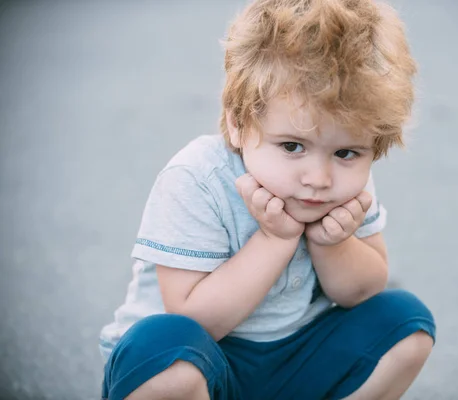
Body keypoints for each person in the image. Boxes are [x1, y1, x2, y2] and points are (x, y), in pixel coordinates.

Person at [99, 0, 436, 398]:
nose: (318, 178)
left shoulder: (345, 184)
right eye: (292, 146)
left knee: (404, 322)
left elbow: (363, 290)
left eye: (347, 153)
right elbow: (194, 318)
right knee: (164, 347)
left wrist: (334, 243)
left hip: (294, 358)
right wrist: (276, 240)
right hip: (206, 362)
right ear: (238, 123)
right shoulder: (198, 179)